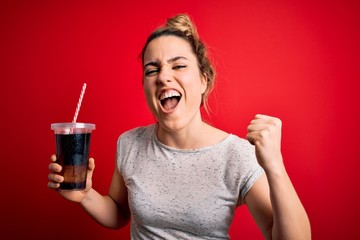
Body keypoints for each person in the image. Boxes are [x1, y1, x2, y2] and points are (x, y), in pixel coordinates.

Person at [48, 14, 311, 239]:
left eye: (179, 65)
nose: (163, 76)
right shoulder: (129, 143)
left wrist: (275, 166)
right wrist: (85, 195)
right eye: (152, 70)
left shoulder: (237, 155)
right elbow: (118, 212)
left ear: (203, 80)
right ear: (145, 86)